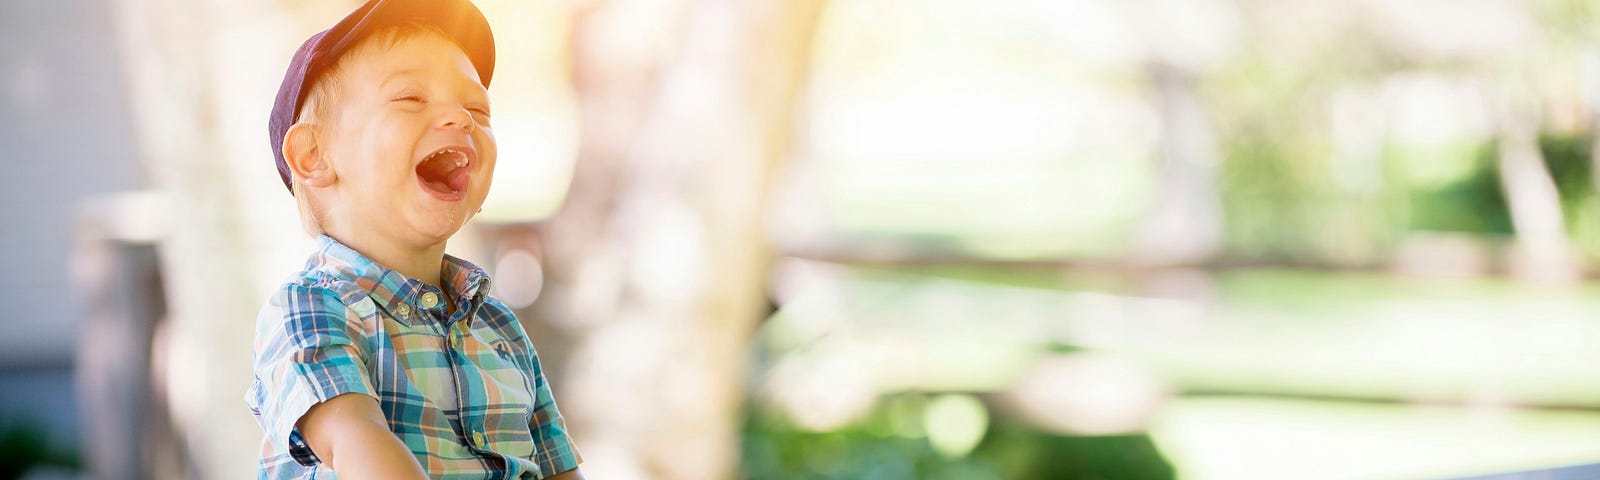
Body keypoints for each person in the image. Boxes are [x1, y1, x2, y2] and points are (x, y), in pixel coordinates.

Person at [245, 1, 583, 478]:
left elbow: (557, 467)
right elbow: (354, 443)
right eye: (410, 98)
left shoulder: (500, 328)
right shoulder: (311, 309)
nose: (461, 119)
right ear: (314, 155)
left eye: (476, 107)